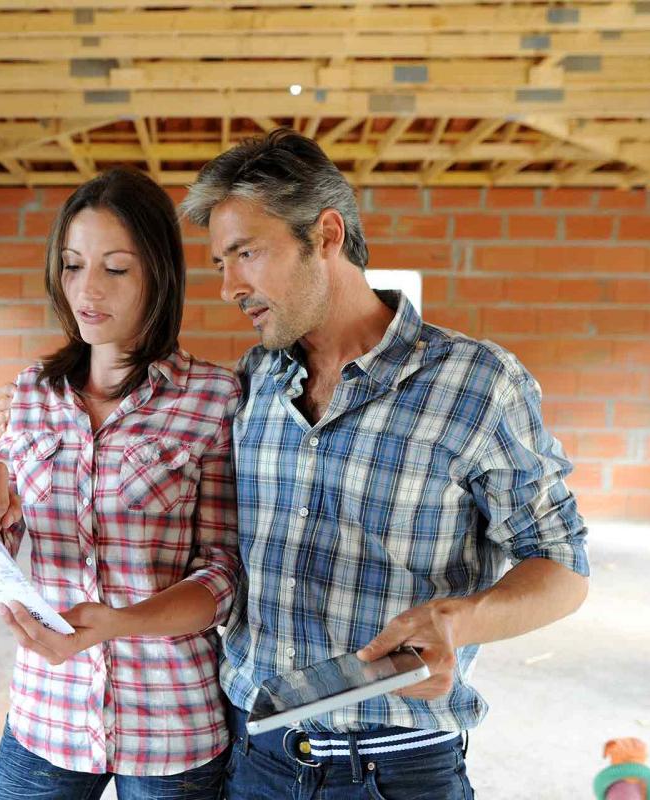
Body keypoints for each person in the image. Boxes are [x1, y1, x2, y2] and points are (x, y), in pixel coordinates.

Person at [174, 129, 591, 798]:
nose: (228, 286)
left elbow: (564, 566)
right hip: (255, 760)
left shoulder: (477, 383)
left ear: (328, 234)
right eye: (222, 262)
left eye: (246, 254)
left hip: (397, 771)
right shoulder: (248, 384)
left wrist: (461, 621)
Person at [0, 167, 241, 800]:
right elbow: (10, 543)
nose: (88, 290)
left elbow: (224, 575)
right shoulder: (31, 393)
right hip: (46, 708)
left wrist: (121, 622)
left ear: (158, 275)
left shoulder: (214, 398)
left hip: (170, 720)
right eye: (71, 264)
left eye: (115, 268)